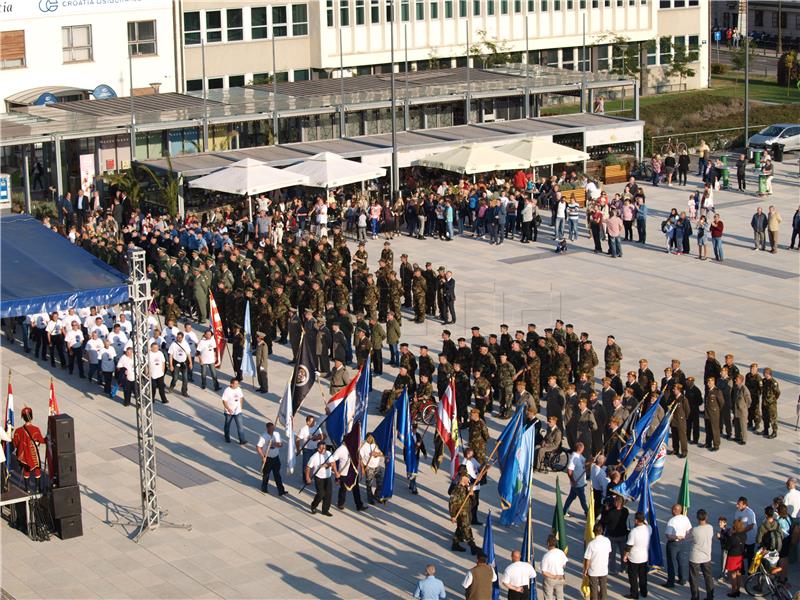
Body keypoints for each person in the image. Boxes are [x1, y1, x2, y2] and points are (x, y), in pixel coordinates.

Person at [11, 406, 47, 493]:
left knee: (26, 471)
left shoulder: (18, 431)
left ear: (23, 418)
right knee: (37, 469)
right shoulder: (36, 429)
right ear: (32, 417)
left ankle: (27, 489)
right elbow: (42, 441)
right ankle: (38, 489)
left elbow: (15, 443)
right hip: (33, 454)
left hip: (23, 456)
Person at [688, 509, 715, 600]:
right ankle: (710, 596)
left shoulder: (694, 530)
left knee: (694, 578)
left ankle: (695, 597)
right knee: (708, 577)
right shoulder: (710, 527)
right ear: (706, 517)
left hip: (695, 557)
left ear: (697, 518)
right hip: (706, 556)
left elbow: (688, 537)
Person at [624, 511, 651, 600]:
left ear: (636, 521)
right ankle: (644, 592)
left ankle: (634, 594)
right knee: (643, 576)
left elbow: (629, 546)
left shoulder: (634, 532)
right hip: (644, 557)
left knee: (633, 577)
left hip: (634, 558)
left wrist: (625, 555)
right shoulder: (648, 529)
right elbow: (647, 524)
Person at [664, 503, 692, 588]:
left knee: (672, 563)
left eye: (672, 509)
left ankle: (670, 582)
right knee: (682, 561)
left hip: (674, 543)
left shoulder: (671, 521)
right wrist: (684, 537)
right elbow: (689, 530)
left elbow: (668, 535)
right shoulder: (685, 518)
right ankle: (682, 579)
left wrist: (676, 537)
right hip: (684, 542)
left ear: (674, 511)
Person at [257, 422, 287, 496]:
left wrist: (277, 444)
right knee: (266, 474)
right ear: (267, 428)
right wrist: (263, 457)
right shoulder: (264, 437)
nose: (273, 430)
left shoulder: (276, 434)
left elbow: (281, 444)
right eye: (271, 428)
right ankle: (264, 488)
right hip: (268, 458)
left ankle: (281, 490)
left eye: (273, 428)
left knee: (277, 474)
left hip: (276, 458)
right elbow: (258, 447)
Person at [584, 522, 612, 600]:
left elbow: (588, 559)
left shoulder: (591, 544)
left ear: (594, 532)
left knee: (594, 589)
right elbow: (609, 551)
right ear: (602, 531)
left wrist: (586, 569)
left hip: (593, 570)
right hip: (603, 569)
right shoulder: (607, 540)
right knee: (603, 588)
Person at [306, 441, 334, 517]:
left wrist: (327, 464)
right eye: (321, 448)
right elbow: (308, 467)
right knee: (321, 494)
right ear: (318, 449)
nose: (323, 450)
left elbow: (332, 463)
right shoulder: (314, 457)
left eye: (324, 448)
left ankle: (325, 510)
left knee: (328, 494)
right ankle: (313, 506)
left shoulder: (328, 454)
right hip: (319, 477)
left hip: (327, 477)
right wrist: (308, 477)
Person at [562, 442, 588, 517]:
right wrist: (573, 481)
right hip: (577, 483)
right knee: (583, 500)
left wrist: (591, 460)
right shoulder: (574, 457)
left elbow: (585, 462)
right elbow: (569, 470)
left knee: (571, 497)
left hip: (579, 482)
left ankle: (564, 511)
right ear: (581, 449)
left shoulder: (579, 455)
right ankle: (587, 512)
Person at [359, 432, 384, 504]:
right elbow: (360, 458)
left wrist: (377, 454)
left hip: (377, 467)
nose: (370, 439)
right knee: (369, 484)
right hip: (369, 468)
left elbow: (382, 453)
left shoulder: (376, 445)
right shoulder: (364, 446)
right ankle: (370, 498)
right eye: (368, 437)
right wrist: (362, 469)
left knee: (380, 483)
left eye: (371, 437)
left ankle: (377, 495)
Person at [540, 534, 567, 600]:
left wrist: (554, 577)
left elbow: (544, 572)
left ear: (548, 543)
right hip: (560, 578)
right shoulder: (561, 552)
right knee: (560, 597)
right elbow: (564, 565)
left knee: (548, 597)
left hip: (550, 579)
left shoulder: (546, 556)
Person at [724, 519, 747, 597]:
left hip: (733, 557)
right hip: (740, 556)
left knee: (733, 575)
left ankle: (733, 591)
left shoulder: (733, 537)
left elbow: (727, 547)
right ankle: (738, 590)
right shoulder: (744, 535)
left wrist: (728, 535)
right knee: (739, 573)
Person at [733, 496, 757, 570]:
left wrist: (740, 532)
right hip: (741, 538)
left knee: (750, 556)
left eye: (739, 504)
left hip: (750, 539)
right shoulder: (737, 511)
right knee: (740, 555)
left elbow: (751, 526)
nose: (737, 505)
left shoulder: (750, 513)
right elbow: (735, 522)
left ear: (745, 505)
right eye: (737, 503)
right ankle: (741, 571)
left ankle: (750, 573)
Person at [221, 378, 246, 445]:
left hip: (237, 411)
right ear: (231, 384)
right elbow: (224, 401)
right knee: (227, 425)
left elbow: (241, 398)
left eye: (238, 383)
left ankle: (242, 440)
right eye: (236, 384)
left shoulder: (239, 389)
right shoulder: (227, 391)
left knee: (240, 426)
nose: (237, 385)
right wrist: (228, 408)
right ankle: (227, 437)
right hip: (229, 412)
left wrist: (240, 407)